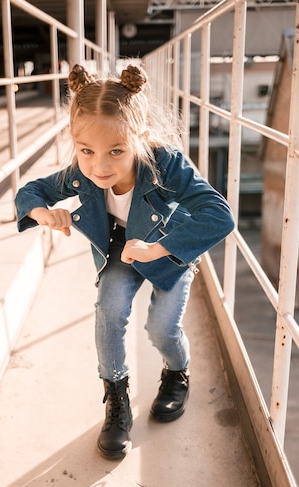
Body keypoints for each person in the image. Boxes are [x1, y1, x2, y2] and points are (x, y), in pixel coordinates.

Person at [15, 63, 234, 460]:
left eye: (116, 151)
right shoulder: (82, 173)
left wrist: (158, 248)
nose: (100, 166)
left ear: (141, 137)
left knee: (161, 329)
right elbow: (32, 190)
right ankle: (117, 401)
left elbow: (220, 215)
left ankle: (176, 371)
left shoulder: (165, 164)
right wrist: (42, 213)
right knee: (109, 308)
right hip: (121, 247)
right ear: (76, 143)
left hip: (166, 249)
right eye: (87, 151)